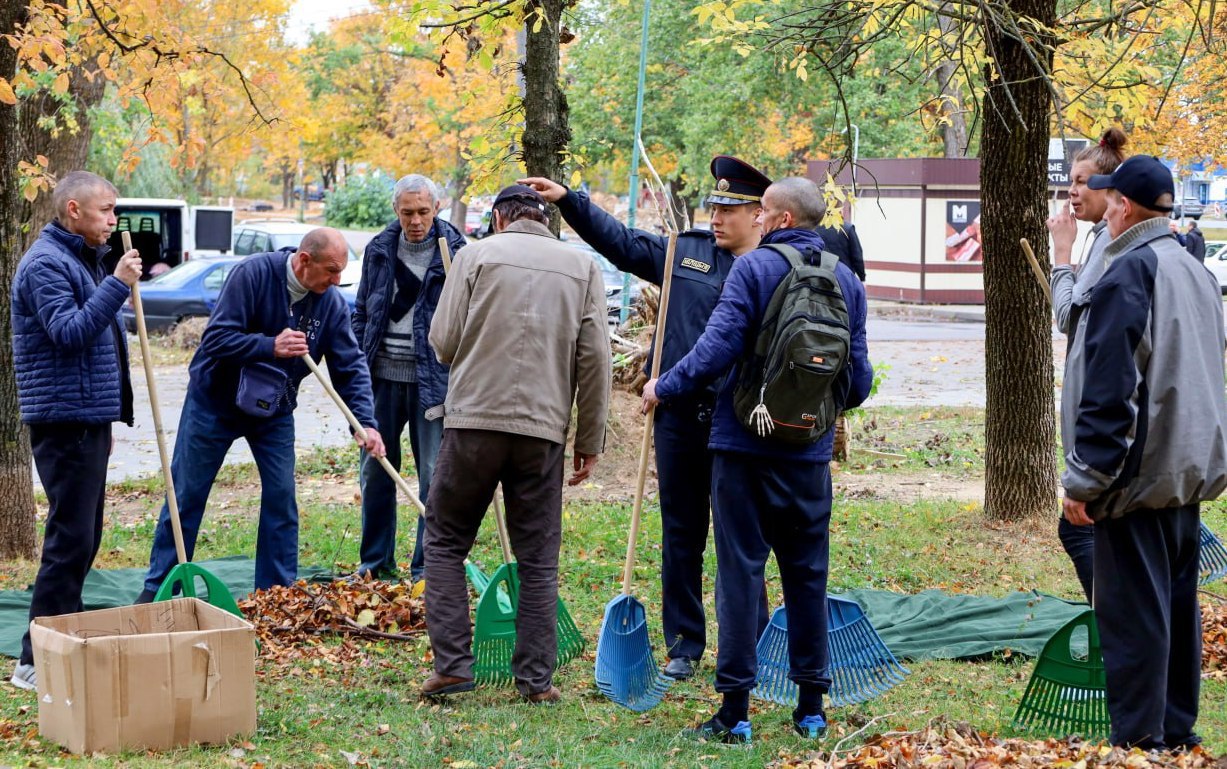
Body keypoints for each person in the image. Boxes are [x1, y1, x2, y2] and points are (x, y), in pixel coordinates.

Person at [518, 155, 771, 681]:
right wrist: (570, 200)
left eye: (730, 208)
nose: (718, 216)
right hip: (679, 416)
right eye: (714, 206)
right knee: (682, 533)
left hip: (739, 422)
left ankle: (752, 640)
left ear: (759, 215)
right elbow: (624, 244)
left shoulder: (772, 266)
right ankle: (684, 643)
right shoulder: (686, 252)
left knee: (740, 535)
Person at [643, 177, 871, 744]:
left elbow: (714, 350)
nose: (759, 221)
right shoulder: (848, 282)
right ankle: (812, 710)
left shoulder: (753, 269)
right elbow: (859, 383)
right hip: (808, 457)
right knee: (808, 577)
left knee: (741, 573)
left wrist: (663, 386)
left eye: (765, 213)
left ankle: (736, 714)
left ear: (785, 219)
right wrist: (809, 409)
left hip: (744, 450)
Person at [421, 184, 610, 703]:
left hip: (474, 424)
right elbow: (595, 359)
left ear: (499, 220)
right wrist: (588, 438)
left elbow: (442, 342)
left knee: (444, 543)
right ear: (545, 220)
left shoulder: (474, 256)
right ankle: (535, 680)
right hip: (542, 431)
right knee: (538, 558)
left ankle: (454, 666)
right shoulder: (582, 268)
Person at [1062, 155, 1227, 749]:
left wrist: (1085, 481)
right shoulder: (1194, 269)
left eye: (1106, 200)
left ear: (1123, 207)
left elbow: (1110, 393)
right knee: (1175, 610)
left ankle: (1138, 744)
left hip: (1134, 479)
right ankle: (1175, 734)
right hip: (1187, 473)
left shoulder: (1131, 274)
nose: (1100, 209)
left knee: (1134, 618)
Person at [137, 228, 384, 600]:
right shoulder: (251, 274)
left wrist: (364, 421)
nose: (336, 282)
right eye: (331, 271)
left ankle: (276, 595)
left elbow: (350, 366)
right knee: (186, 492)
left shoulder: (329, 303)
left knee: (282, 496)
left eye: (340, 274)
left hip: (274, 410)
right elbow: (217, 339)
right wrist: (270, 345)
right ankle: (159, 587)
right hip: (214, 402)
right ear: (304, 261)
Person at [9, 172, 144, 691]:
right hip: (63, 421)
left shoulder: (77, 259)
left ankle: (60, 637)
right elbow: (69, 333)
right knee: (70, 537)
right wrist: (117, 284)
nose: (114, 219)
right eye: (106, 210)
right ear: (73, 209)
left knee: (84, 536)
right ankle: (35, 659)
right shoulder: (45, 264)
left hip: (86, 418)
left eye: (115, 210)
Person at [352, 175, 466, 582]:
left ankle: (425, 568)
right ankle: (374, 564)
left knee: (434, 475)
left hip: (432, 382)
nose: (415, 221)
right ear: (396, 211)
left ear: (436, 208)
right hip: (380, 378)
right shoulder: (380, 249)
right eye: (407, 212)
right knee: (375, 469)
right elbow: (363, 308)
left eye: (422, 212)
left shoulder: (457, 252)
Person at [1044, 126, 1128, 603]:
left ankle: (1112, 624)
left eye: (1082, 182)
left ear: (1109, 189)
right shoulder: (1102, 240)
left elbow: (1067, 315)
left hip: (1100, 428)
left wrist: (1061, 255)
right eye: (1071, 181)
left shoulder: (1102, 244)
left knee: (1078, 530)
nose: (1072, 192)